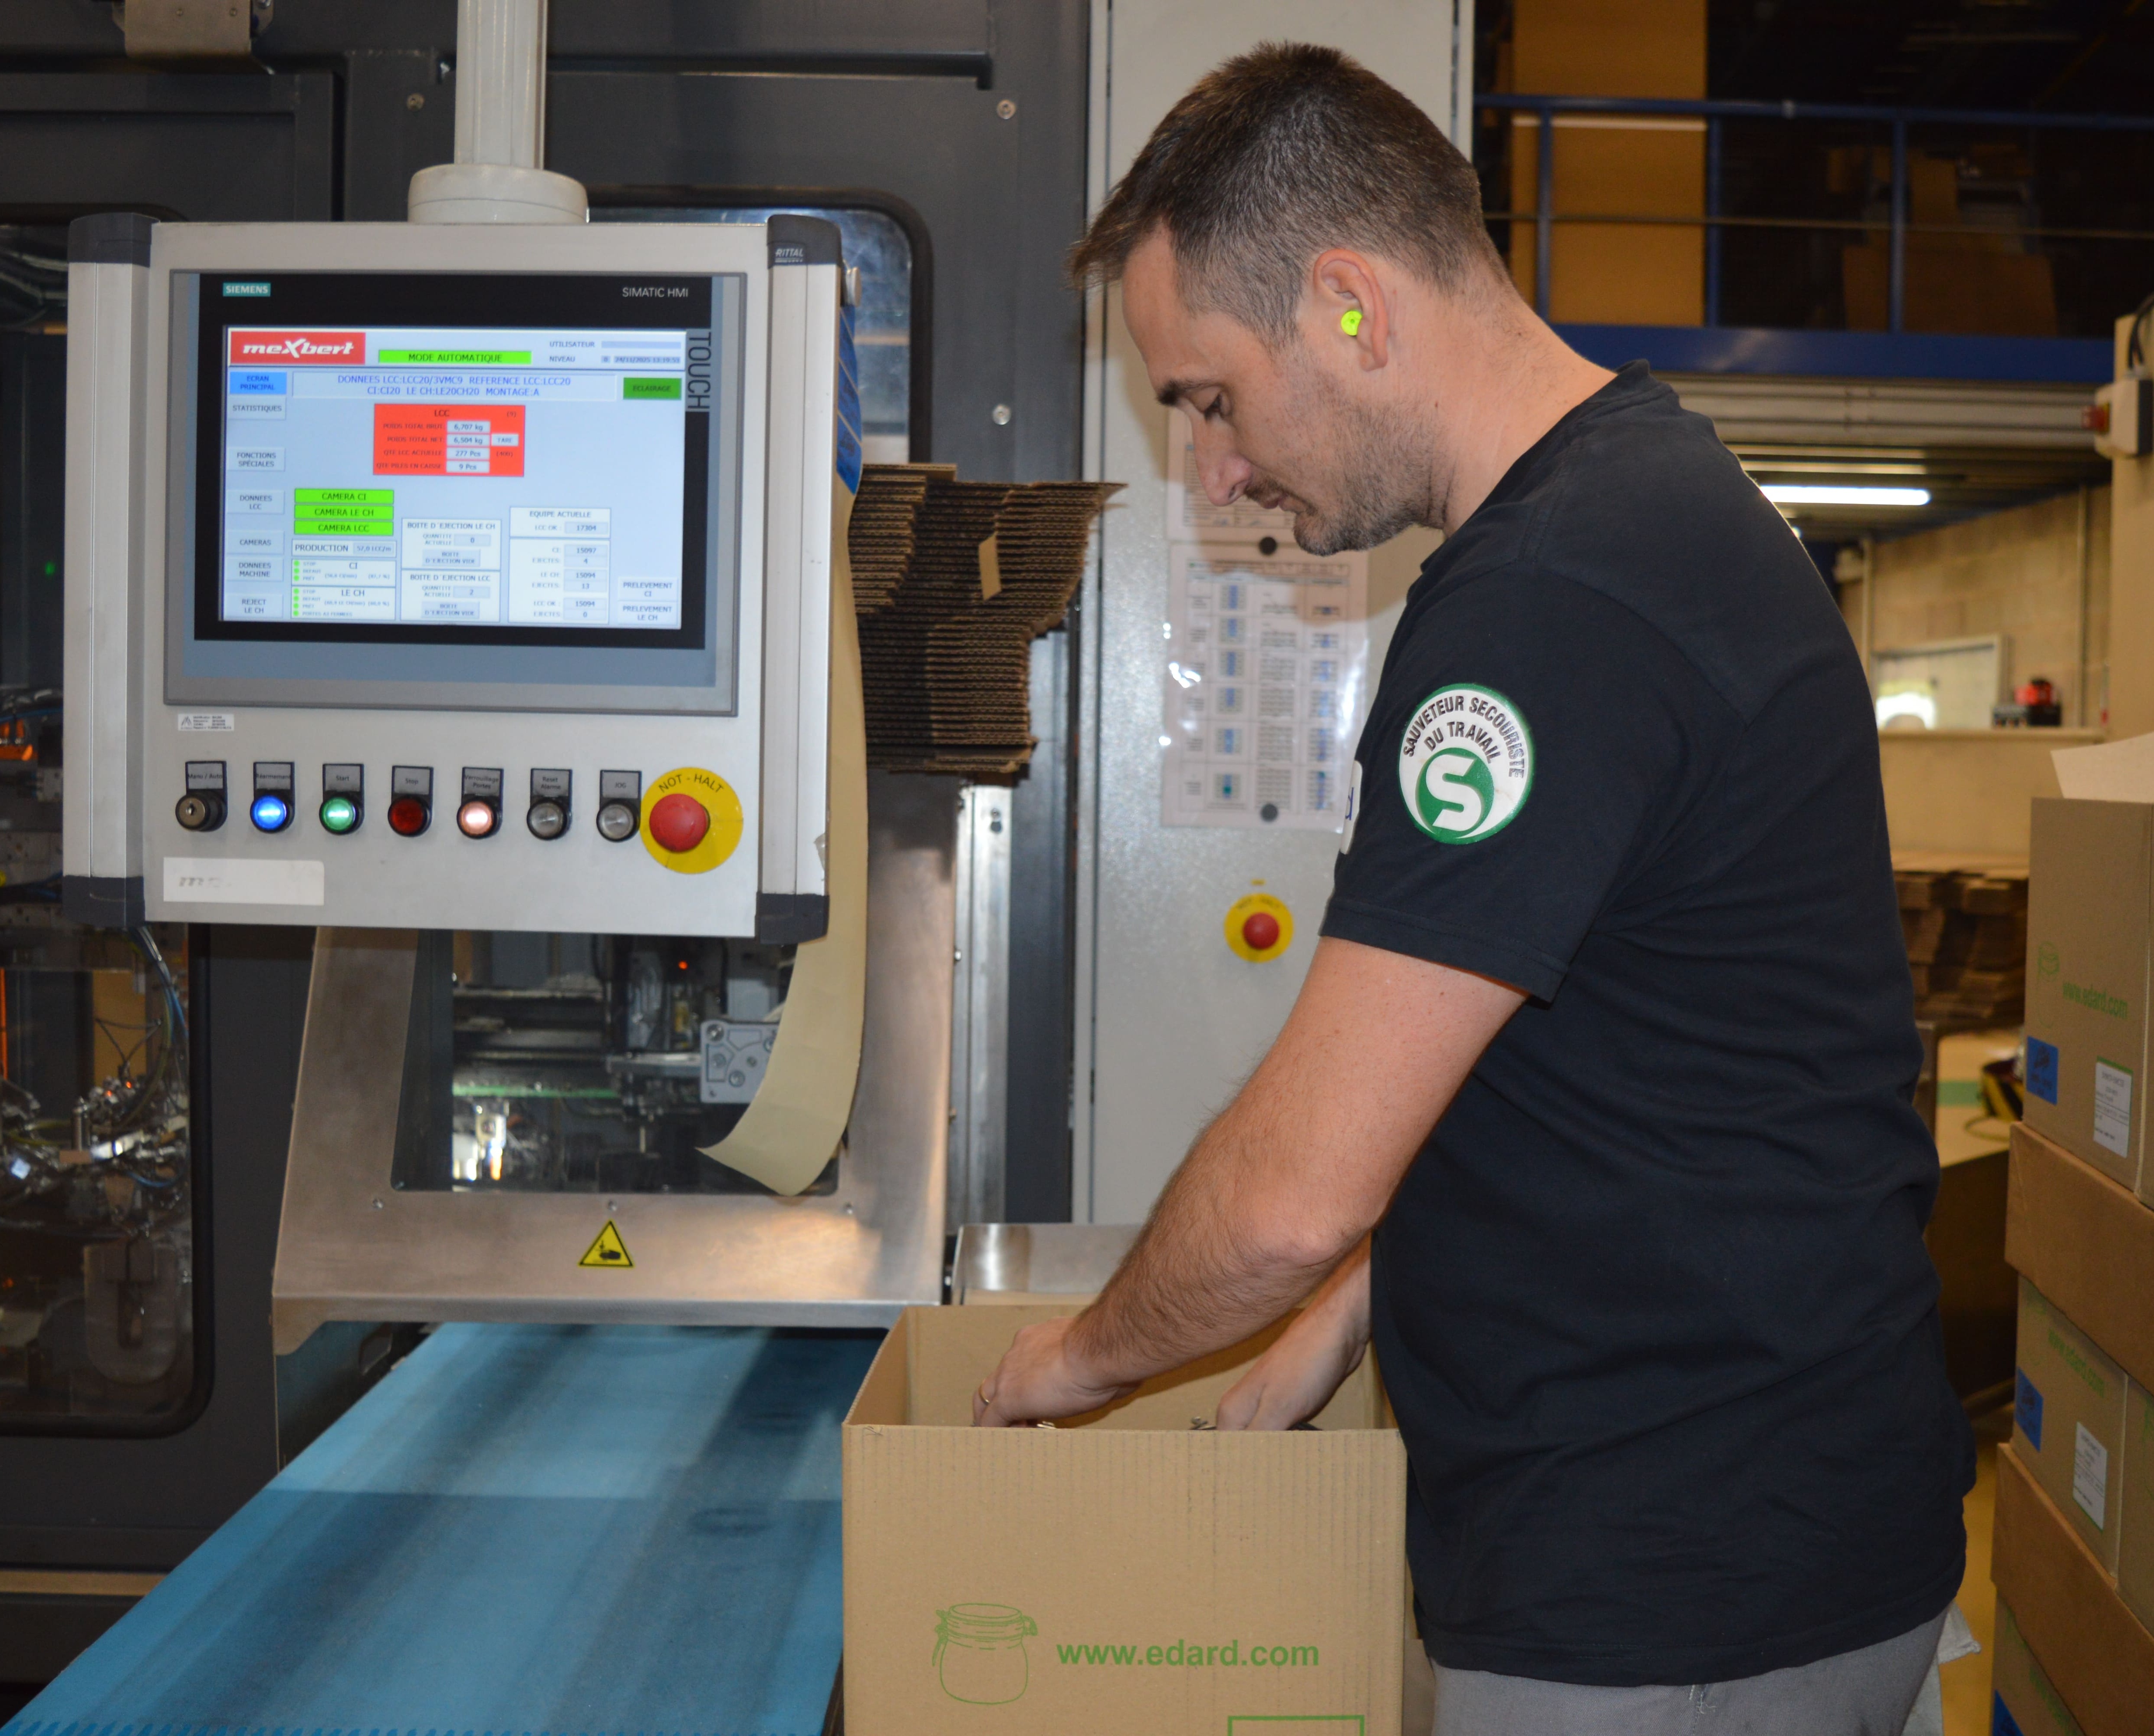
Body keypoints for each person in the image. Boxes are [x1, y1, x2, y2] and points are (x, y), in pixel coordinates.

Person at [972, 41, 1973, 1736]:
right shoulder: (1639, 511)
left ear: (1349, 305)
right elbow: (1603, 1056)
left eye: (1206, 399)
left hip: (1674, 1599)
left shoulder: (1548, 603)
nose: (1210, 472)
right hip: (1757, 1536)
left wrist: (1074, 1361)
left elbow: (1290, 1195)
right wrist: (1348, 1312)